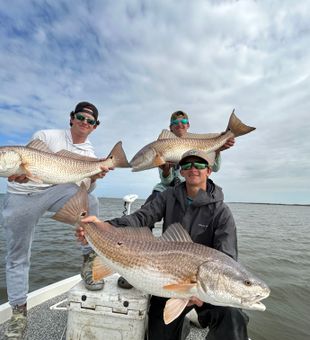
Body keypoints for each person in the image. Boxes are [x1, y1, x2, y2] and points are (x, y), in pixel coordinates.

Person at [76, 149, 249, 340]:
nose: (193, 169)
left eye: (199, 165)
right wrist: (105, 226)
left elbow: (227, 258)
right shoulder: (168, 196)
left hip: (207, 286)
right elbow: (142, 217)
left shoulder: (222, 212)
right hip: (166, 282)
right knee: (159, 334)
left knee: (234, 317)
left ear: (209, 170)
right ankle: (181, 327)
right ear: (181, 171)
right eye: (187, 165)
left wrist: (201, 293)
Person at [1, 101, 110, 339]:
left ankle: (87, 262)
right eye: (81, 117)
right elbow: (22, 173)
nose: (85, 122)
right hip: (22, 197)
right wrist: (20, 175)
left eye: (90, 121)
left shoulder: (90, 154)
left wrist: (96, 174)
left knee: (91, 202)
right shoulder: (45, 136)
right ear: (71, 118)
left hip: (54, 191)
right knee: (17, 254)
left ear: (95, 126)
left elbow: (85, 187)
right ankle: (18, 312)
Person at [146, 110, 235, 202]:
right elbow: (166, 182)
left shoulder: (198, 143)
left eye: (183, 122)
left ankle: (232, 131)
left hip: (193, 187)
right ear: (170, 127)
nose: (180, 124)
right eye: (175, 122)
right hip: (168, 189)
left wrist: (217, 150)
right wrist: (166, 171)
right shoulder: (162, 146)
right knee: (152, 201)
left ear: (188, 125)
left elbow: (215, 168)